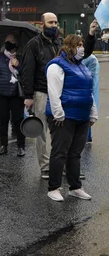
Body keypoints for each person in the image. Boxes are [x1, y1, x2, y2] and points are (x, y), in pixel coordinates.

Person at [45, 35, 97, 202]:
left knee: (75, 153)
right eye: (78, 45)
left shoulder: (81, 66)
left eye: (82, 45)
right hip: (64, 117)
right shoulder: (56, 65)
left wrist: (92, 112)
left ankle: (75, 187)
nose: (82, 48)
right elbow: (54, 92)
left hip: (81, 116)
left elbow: (88, 91)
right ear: (69, 46)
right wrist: (58, 114)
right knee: (60, 152)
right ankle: (54, 187)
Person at [21, 12, 62, 179]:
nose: (54, 25)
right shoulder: (34, 44)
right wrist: (28, 95)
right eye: (50, 22)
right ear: (42, 24)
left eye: (56, 22)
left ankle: (60, 163)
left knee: (60, 130)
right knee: (42, 131)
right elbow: (27, 71)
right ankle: (45, 166)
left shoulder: (59, 43)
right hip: (41, 92)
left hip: (59, 93)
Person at [0, 34, 26, 156]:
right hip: (1, 93)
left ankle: (21, 146)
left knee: (18, 120)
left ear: (17, 43)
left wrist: (18, 65)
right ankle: (3, 145)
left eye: (12, 40)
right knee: (2, 119)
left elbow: (26, 74)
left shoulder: (21, 57)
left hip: (16, 93)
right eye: (7, 40)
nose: (8, 42)